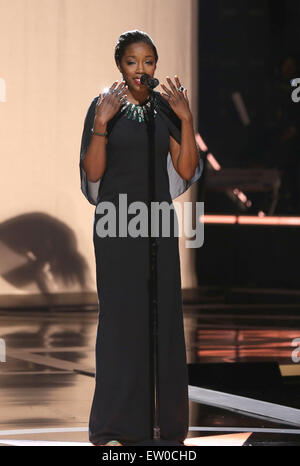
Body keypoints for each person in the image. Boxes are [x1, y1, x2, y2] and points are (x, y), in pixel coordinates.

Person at [79, 30, 204, 446]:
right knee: (119, 322)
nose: (141, 69)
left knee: (161, 320)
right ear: (120, 65)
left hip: (158, 227)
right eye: (133, 61)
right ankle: (114, 425)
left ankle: (164, 425)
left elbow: (186, 171)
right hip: (117, 226)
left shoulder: (165, 111)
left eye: (149, 61)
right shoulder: (104, 107)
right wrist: (100, 125)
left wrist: (185, 119)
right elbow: (93, 174)